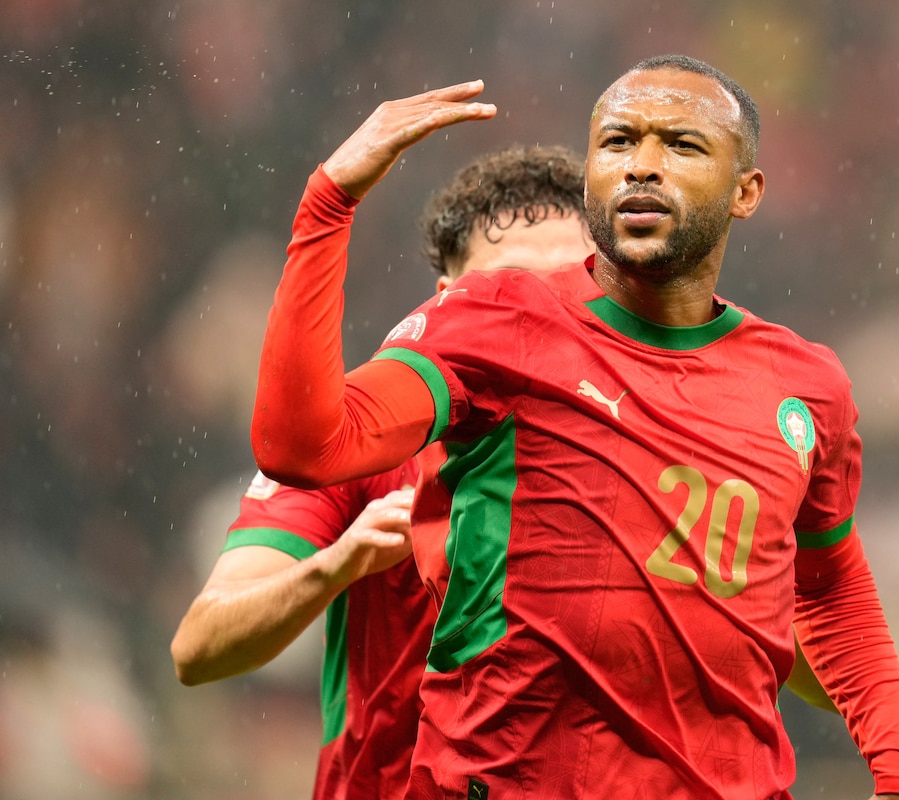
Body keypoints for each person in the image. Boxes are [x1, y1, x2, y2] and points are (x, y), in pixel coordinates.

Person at [249, 54, 899, 800]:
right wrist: (330, 203)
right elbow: (303, 447)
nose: (642, 166)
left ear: (747, 192)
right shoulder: (496, 320)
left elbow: (831, 589)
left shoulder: (806, 387)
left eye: (682, 145)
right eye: (617, 142)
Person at [170, 145, 598, 799]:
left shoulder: (651, 447)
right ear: (448, 301)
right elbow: (200, 647)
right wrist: (339, 563)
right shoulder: (351, 443)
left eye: (571, 283)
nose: (541, 311)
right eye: (508, 286)